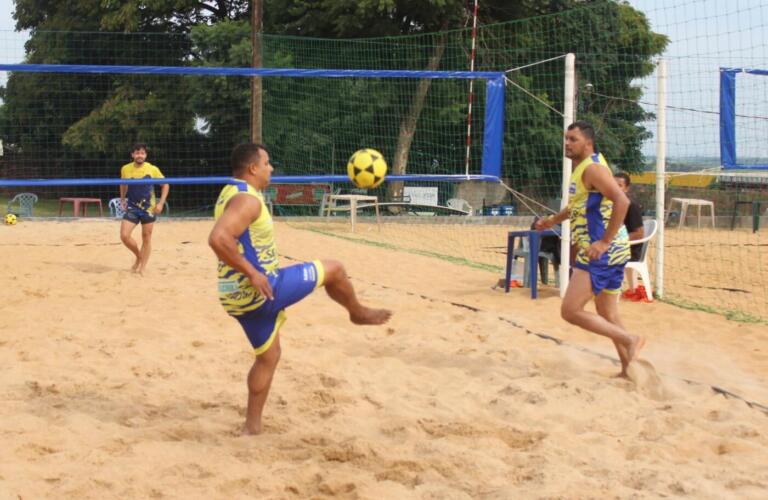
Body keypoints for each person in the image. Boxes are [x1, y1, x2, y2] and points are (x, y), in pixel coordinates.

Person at [208, 143, 392, 435]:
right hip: (262, 289)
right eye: (267, 163)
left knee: (268, 356)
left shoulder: (230, 192)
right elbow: (218, 238)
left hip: (234, 296)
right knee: (335, 269)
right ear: (252, 168)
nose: (271, 168)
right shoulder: (247, 200)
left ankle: (251, 428)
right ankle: (357, 312)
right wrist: (254, 273)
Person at [536, 121, 644, 377]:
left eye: (573, 139)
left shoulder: (593, 168)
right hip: (610, 251)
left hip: (602, 251)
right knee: (607, 312)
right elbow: (577, 206)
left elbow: (623, 200)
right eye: (566, 138)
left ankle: (630, 339)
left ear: (588, 143)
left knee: (570, 311)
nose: (567, 143)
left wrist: (604, 241)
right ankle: (630, 369)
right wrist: (552, 221)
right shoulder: (584, 167)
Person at [119, 143, 169, 274]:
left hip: (149, 208)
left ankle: (142, 268)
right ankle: (139, 256)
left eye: (142, 153)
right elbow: (123, 184)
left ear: (145, 155)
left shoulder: (152, 169)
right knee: (124, 236)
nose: (139, 155)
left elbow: (166, 185)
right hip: (132, 207)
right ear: (132, 155)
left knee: (146, 237)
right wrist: (122, 199)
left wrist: (161, 203)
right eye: (137, 153)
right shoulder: (125, 169)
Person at [614, 172, 646, 300]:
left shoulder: (631, 206)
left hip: (630, 249)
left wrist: (616, 241)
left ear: (626, 188)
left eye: (620, 185)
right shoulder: (610, 203)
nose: (616, 188)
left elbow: (639, 233)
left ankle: (608, 291)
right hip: (619, 245)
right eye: (613, 185)